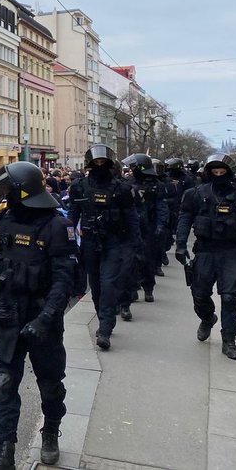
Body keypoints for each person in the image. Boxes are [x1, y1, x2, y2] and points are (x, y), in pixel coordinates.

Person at [0, 161, 78, 469]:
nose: (4, 194)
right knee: (4, 383)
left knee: (50, 383)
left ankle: (50, 430)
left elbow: (64, 279)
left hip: (42, 318)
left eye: (8, 189)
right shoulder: (5, 220)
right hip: (9, 315)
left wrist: (46, 318)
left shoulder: (57, 227)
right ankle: (3, 451)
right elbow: (0, 267)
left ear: (22, 191)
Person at [175, 153, 236, 361]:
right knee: (200, 294)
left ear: (229, 173)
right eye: (215, 172)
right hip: (205, 251)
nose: (219, 175)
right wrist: (180, 245)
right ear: (209, 172)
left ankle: (229, 340)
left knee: (230, 297)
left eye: (223, 172)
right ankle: (207, 318)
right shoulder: (195, 194)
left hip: (231, 252)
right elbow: (185, 219)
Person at [67, 145, 137, 351]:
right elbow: (72, 215)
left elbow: (131, 217)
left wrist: (134, 244)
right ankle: (102, 317)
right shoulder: (79, 186)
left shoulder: (121, 188)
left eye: (102, 163)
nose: (99, 166)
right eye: (96, 163)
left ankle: (105, 327)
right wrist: (69, 241)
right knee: (95, 285)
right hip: (89, 241)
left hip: (114, 242)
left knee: (108, 284)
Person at [122, 154, 167, 307]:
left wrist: (161, 225)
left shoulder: (157, 185)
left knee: (148, 259)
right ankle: (133, 287)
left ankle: (148, 287)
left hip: (150, 226)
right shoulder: (128, 183)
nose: (131, 169)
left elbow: (161, 206)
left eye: (133, 167)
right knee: (132, 259)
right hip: (132, 226)